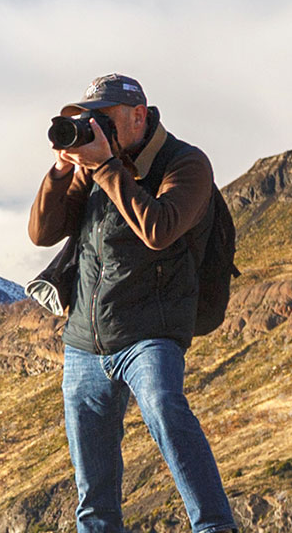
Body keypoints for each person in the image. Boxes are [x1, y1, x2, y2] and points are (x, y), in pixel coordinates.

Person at [27, 73, 238, 533]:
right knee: (94, 495)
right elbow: (42, 234)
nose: (92, 127)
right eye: (86, 119)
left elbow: (160, 229)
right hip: (86, 340)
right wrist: (64, 171)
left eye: (103, 118)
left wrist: (104, 167)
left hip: (152, 332)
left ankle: (215, 527)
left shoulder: (186, 164)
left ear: (139, 116)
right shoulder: (92, 167)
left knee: (166, 409)